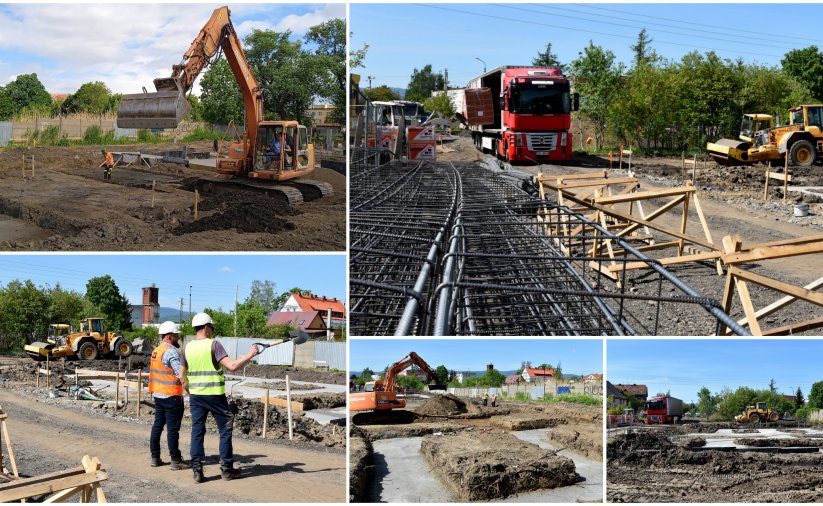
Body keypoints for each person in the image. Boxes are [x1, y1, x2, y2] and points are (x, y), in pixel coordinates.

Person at [181, 312, 261, 483]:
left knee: (197, 431)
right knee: (224, 430)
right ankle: (226, 470)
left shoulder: (187, 347)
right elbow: (232, 366)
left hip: (196, 396)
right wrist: (250, 354)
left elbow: (182, 375)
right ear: (206, 327)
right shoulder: (214, 345)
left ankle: (197, 471)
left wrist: (188, 389)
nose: (212, 330)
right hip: (215, 396)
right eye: (212, 327)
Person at [148, 321, 189, 471]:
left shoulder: (156, 351)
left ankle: (155, 457)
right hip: (172, 396)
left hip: (158, 395)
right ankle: (175, 460)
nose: (178, 338)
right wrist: (190, 390)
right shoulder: (171, 352)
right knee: (173, 430)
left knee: (157, 426)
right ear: (170, 336)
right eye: (177, 335)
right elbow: (180, 375)